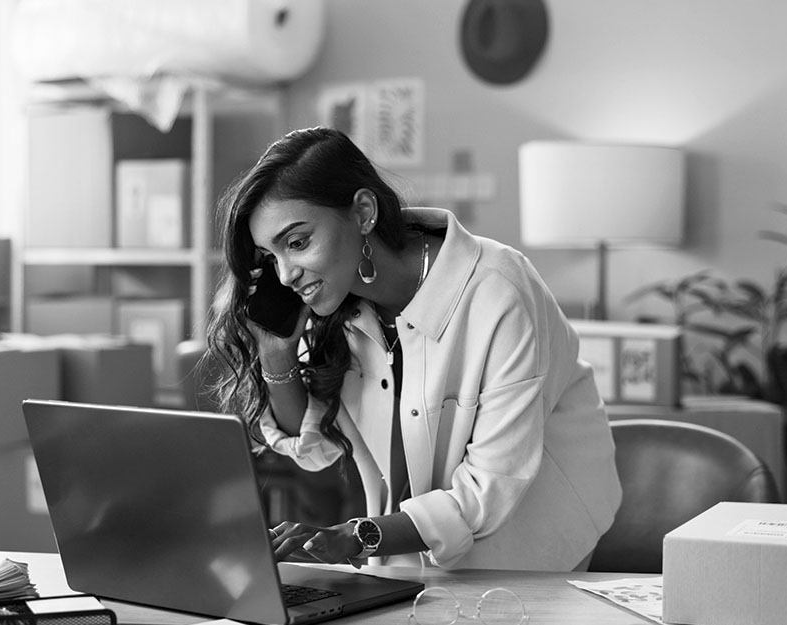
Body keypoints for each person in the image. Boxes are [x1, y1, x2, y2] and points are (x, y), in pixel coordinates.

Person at [205, 127, 621, 572]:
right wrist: (275, 355)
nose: (285, 274)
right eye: (270, 258)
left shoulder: (498, 290)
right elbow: (315, 450)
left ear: (363, 212)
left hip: (533, 549)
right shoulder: (338, 304)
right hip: (407, 551)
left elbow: (489, 489)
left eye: (298, 242)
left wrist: (358, 536)